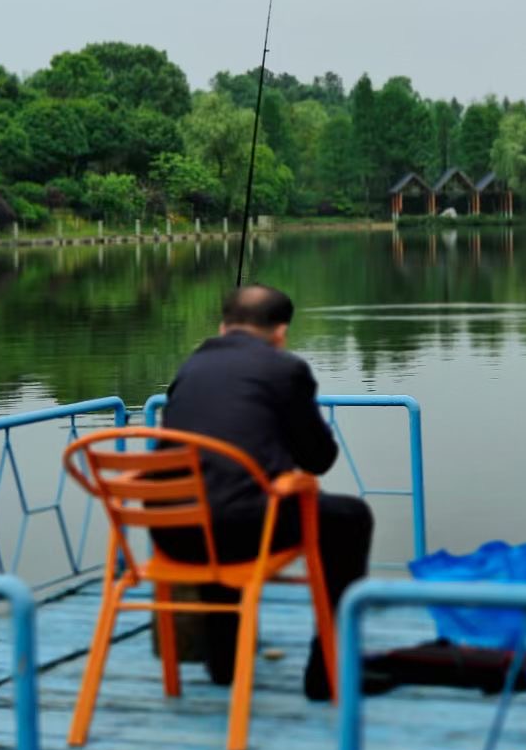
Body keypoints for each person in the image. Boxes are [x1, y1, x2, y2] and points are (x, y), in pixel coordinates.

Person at [152, 283, 374, 701]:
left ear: (222, 326)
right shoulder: (284, 369)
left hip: (171, 534)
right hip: (240, 533)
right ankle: (328, 670)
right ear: (281, 332)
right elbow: (318, 460)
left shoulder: (189, 368)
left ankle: (224, 663)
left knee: (218, 500)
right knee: (349, 518)